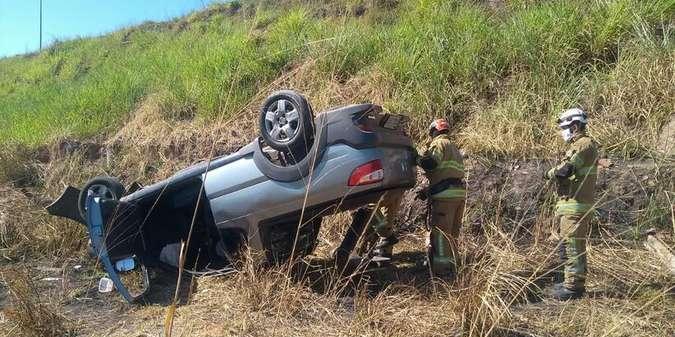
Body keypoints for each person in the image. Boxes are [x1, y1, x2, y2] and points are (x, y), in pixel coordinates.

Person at [544, 108, 598, 300]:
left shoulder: (583, 145)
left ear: (574, 126)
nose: (562, 132)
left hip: (576, 206)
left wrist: (550, 173)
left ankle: (573, 288)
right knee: (567, 245)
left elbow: (565, 170)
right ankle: (568, 282)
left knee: (572, 246)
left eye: (565, 127)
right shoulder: (582, 145)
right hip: (571, 205)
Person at [416, 118, 466, 278]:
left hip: (445, 197)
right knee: (451, 233)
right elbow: (447, 174)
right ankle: (454, 266)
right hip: (458, 194)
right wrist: (428, 191)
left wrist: (416, 158)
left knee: (440, 233)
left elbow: (431, 164)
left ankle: (443, 272)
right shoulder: (454, 147)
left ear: (434, 131)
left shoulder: (438, 144)